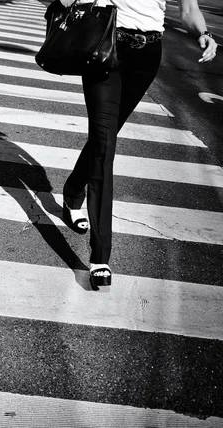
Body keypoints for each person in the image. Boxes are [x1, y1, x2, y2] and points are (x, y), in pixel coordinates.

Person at [56, 0, 217, 288]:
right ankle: (100, 256)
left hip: (147, 56)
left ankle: (72, 191)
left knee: (106, 134)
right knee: (105, 144)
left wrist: (205, 34)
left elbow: (188, 10)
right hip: (106, 43)